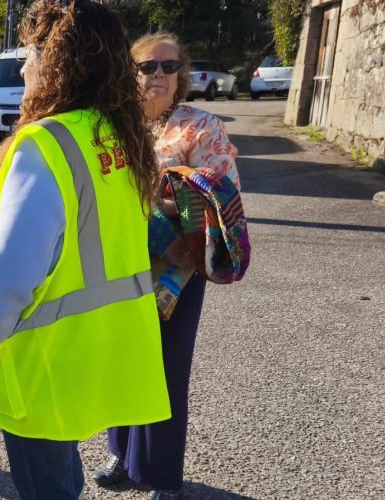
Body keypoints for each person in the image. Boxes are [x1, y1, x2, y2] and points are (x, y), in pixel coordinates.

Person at [0, 1, 172, 499]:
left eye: (31, 56)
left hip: (44, 354)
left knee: (46, 483)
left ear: (56, 64)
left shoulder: (44, 143)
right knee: (61, 473)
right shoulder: (117, 134)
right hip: (100, 345)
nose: (24, 69)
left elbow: (12, 275)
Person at [93, 33, 242, 500]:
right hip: (119, 261)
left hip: (176, 268)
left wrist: (158, 199)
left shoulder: (202, 127)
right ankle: (121, 452)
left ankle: (160, 475)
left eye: (168, 66)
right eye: (147, 66)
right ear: (130, 73)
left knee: (165, 368)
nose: (158, 74)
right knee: (121, 357)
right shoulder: (115, 125)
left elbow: (220, 193)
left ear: (182, 75)